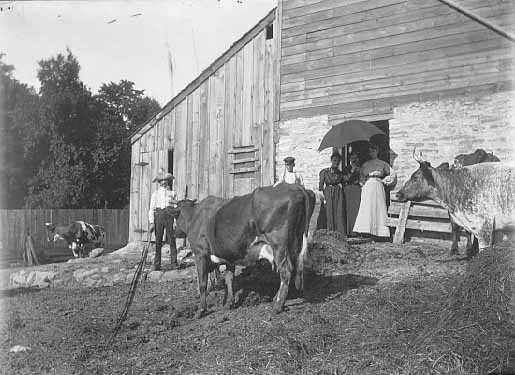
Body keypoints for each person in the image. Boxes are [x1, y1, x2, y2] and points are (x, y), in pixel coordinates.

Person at [352, 144, 396, 238]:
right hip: (368, 185)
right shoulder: (366, 164)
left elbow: (392, 174)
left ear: (377, 152)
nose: (372, 153)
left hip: (378, 184)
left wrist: (387, 180)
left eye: (374, 151)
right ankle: (365, 230)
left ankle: (381, 232)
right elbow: (361, 176)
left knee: (379, 206)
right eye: (370, 151)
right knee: (367, 206)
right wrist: (362, 184)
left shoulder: (382, 163)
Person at [148, 172, 179, 271]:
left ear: (168, 182)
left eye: (166, 181)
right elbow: (151, 208)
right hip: (159, 216)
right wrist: (152, 222)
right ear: (159, 182)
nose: (164, 183)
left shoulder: (172, 193)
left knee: (172, 240)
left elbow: (175, 208)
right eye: (162, 181)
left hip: (169, 215)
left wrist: (175, 221)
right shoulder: (155, 194)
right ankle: (157, 264)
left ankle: (174, 263)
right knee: (158, 241)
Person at [317, 152, 346, 234]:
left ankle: (337, 231)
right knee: (328, 210)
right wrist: (322, 196)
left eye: (338, 161)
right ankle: (329, 230)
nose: (336, 162)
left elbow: (345, 181)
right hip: (328, 192)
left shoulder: (340, 173)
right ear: (331, 160)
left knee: (338, 210)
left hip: (337, 192)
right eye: (334, 160)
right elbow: (321, 185)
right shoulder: (325, 172)